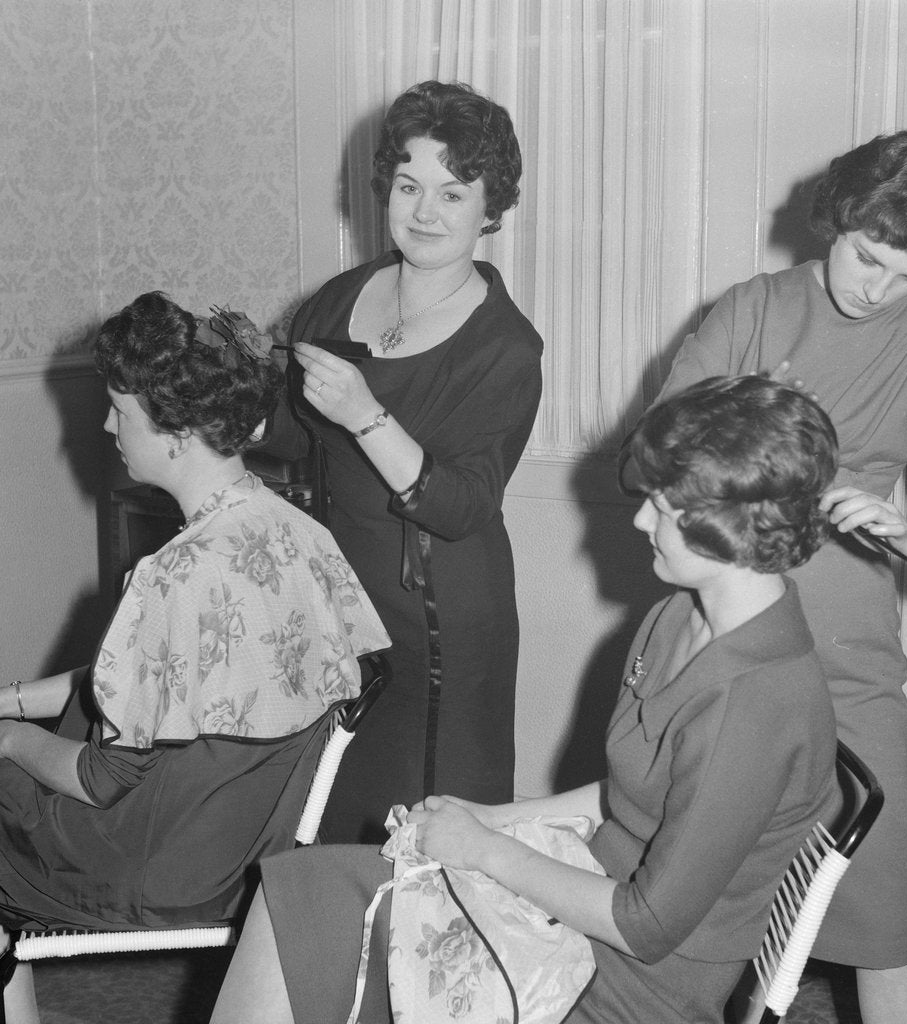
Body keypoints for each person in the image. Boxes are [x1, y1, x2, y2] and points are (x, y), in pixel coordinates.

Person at [209, 375, 842, 1024]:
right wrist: (490, 817)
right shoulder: (679, 615)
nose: (641, 517)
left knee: (333, 928)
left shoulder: (759, 703)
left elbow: (645, 926)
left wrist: (485, 850)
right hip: (577, 902)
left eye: (664, 504)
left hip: (627, 984)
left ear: (731, 521)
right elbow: (627, 796)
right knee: (302, 893)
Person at [656, 128, 907, 1024]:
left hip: (847, 656)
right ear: (838, 219)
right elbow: (659, 458)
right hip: (720, 636)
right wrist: (759, 431)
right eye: (866, 255)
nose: (876, 289)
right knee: (680, 879)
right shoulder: (752, 308)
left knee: (883, 908)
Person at [0, 292, 389, 1024]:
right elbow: (175, 686)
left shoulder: (171, 575)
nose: (107, 425)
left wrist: (7, 739)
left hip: (162, 866)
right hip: (246, 844)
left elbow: (102, 778)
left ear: (173, 435)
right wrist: (11, 698)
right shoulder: (300, 536)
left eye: (121, 411)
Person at [285, 80, 543, 843]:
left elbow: (461, 505)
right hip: (341, 607)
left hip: (441, 626)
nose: (425, 212)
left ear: (490, 209)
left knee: (428, 842)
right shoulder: (336, 300)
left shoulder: (505, 345)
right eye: (408, 186)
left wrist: (366, 413)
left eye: (452, 193)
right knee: (332, 826)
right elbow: (298, 441)